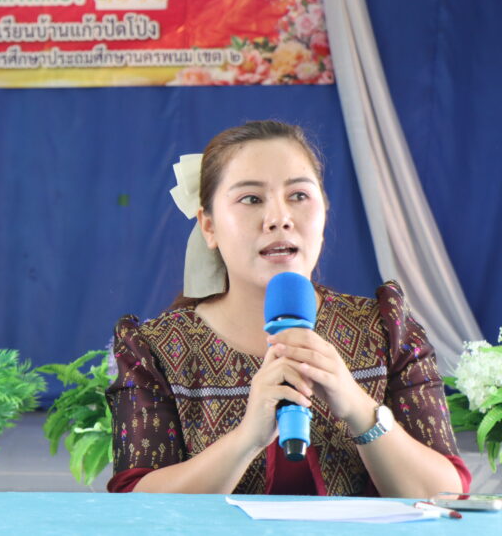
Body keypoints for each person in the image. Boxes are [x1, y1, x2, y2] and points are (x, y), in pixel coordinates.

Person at [106, 120, 470, 496]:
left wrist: (358, 408)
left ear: (324, 213)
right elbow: (136, 506)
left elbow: (447, 495)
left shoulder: (386, 329)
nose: (279, 218)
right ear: (208, 226)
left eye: (298, 195)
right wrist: (248, 437)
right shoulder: (156, 348)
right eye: (251, 199)